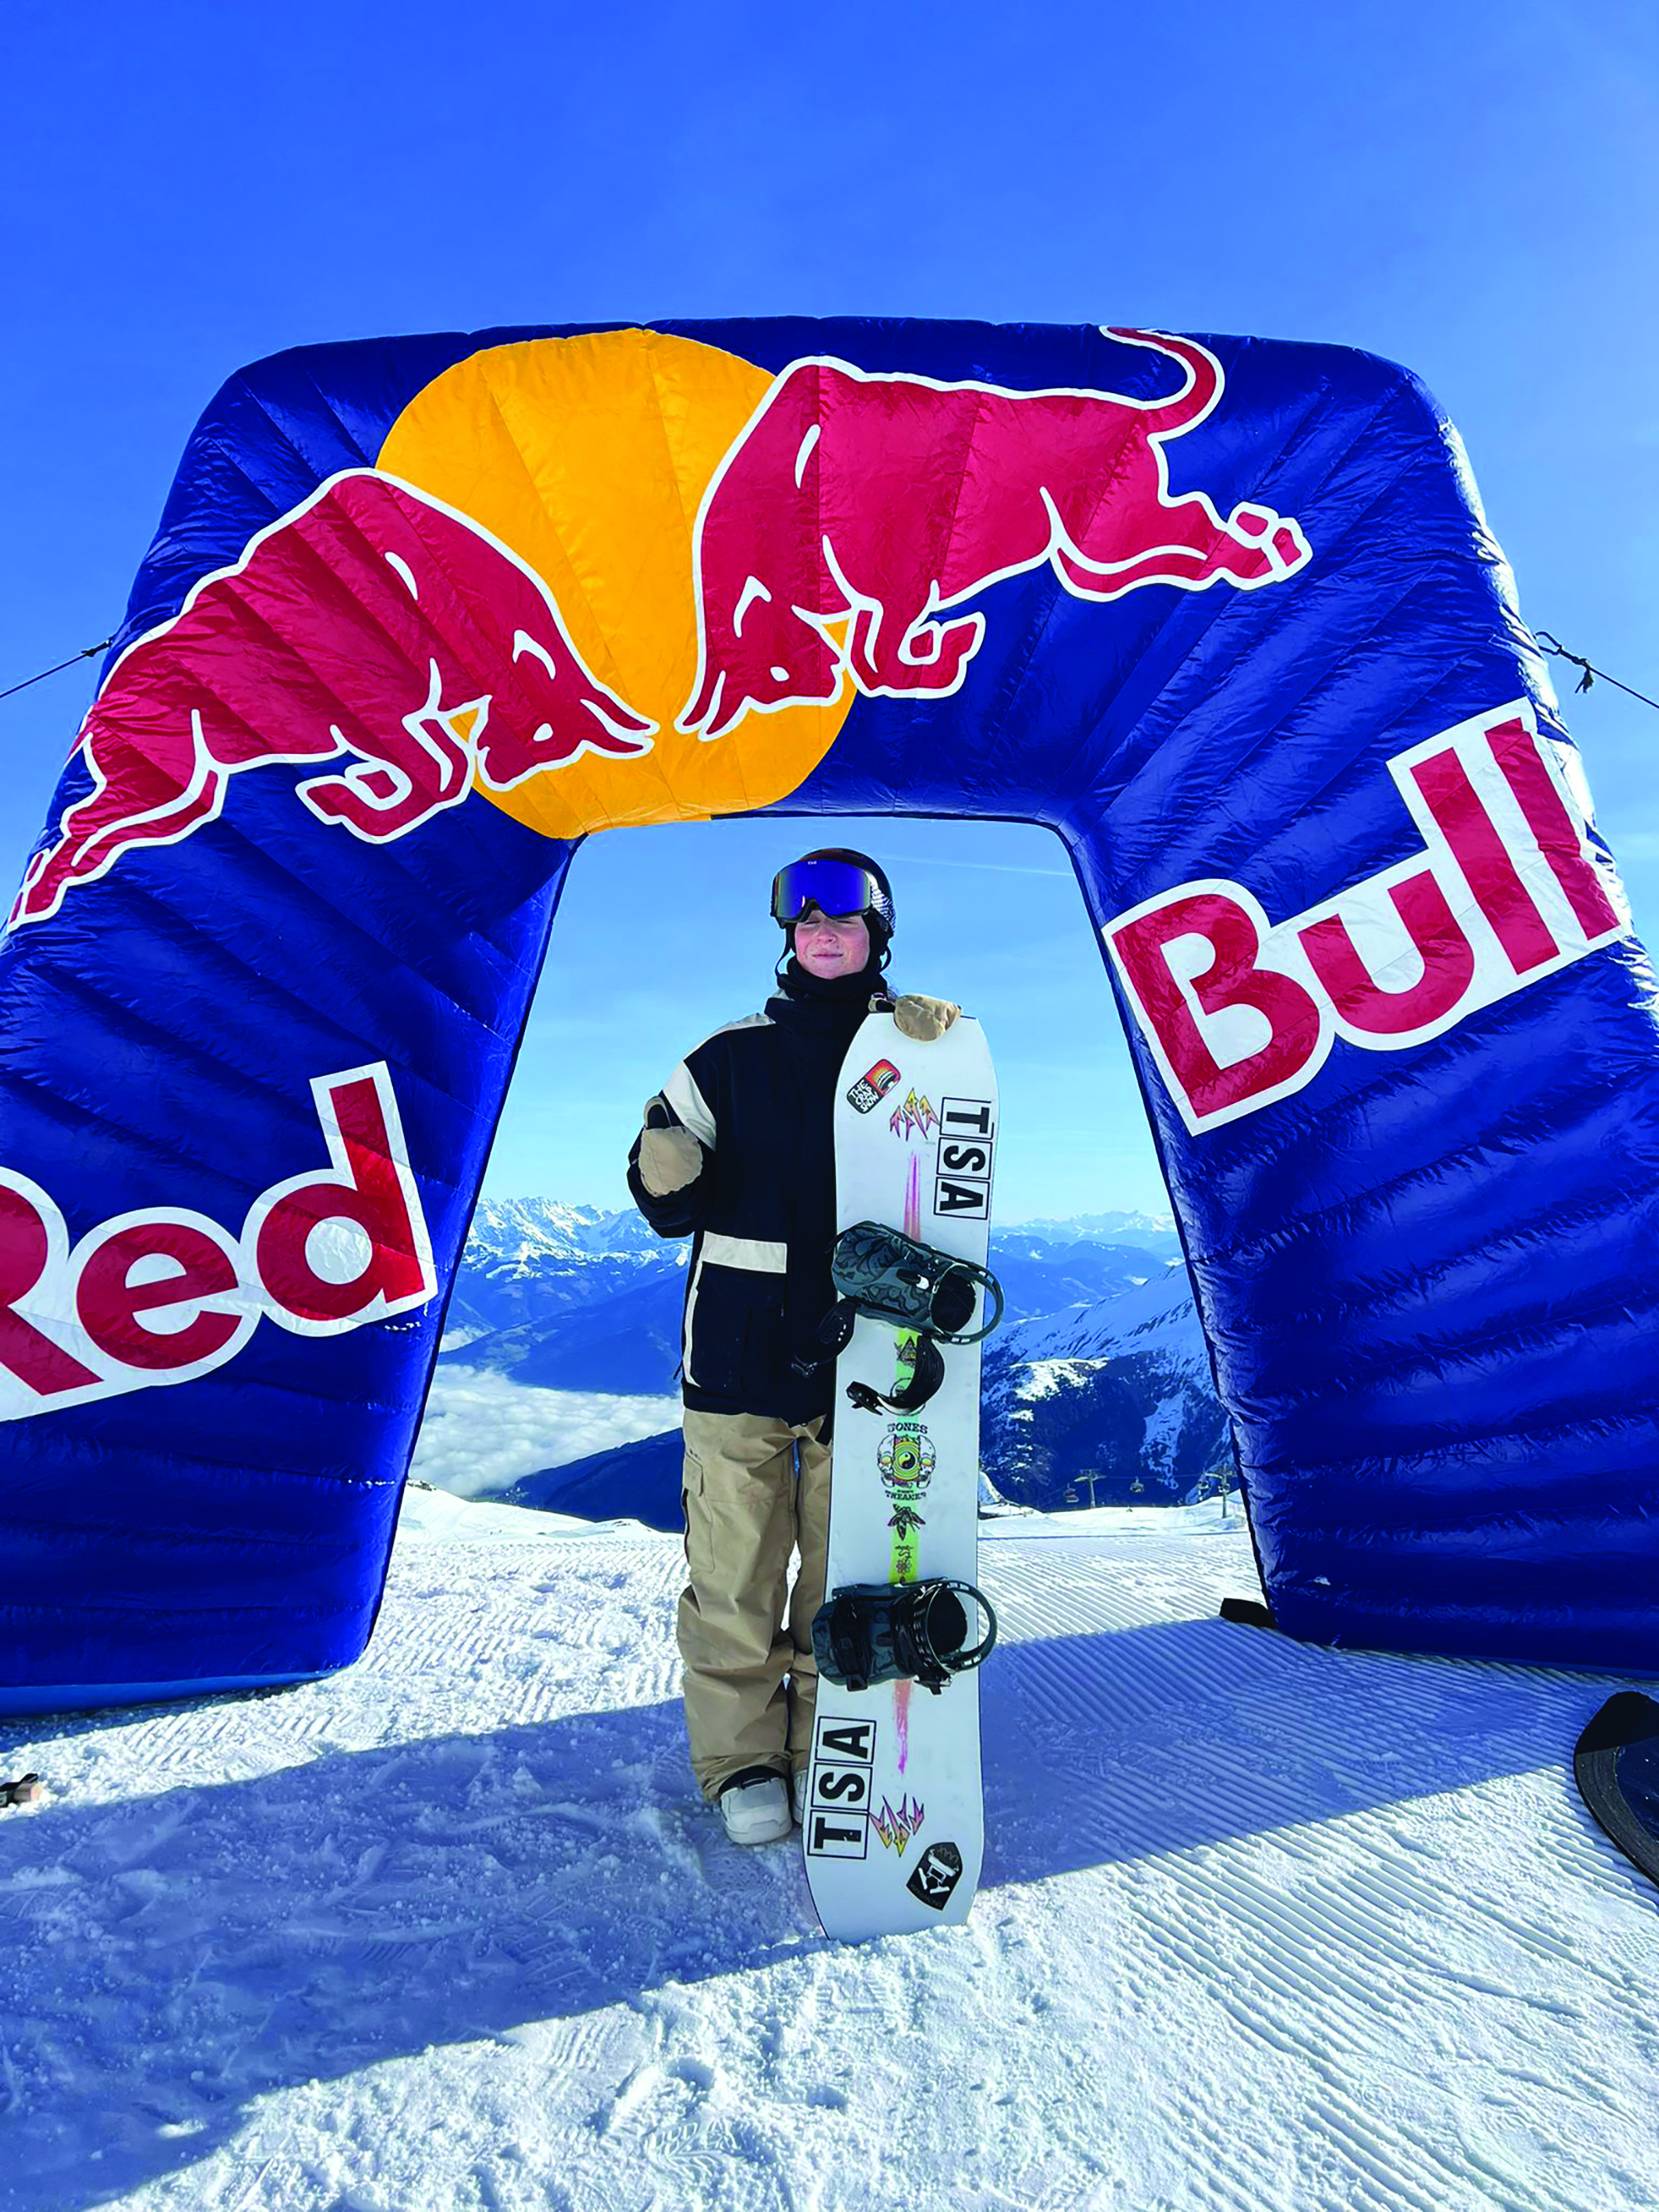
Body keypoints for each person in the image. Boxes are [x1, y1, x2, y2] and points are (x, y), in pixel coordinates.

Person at [626, 849, 960, 1845]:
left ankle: (826, 1744)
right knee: (734, 1577)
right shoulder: (725, 1058)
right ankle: (739, 1764)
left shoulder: (910, 1050)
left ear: (876, 939)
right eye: (807, 925)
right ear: (788, 938)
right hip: (737, 1366)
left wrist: (941, 1064)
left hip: (868, 1364)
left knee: (841, 1576)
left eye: (844, 926)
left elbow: (952, 1188)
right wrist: (663, 1163)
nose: (823, 937)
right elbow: (659, 1202)